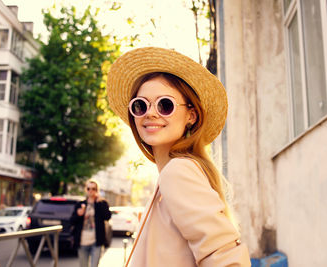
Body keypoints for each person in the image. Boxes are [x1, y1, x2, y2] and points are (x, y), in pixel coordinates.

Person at [106, 47, 251, 267]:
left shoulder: (177, 172)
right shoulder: (171, 175)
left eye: (165, 104)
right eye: (140, 105)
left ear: (191, 115)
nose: (150, 113)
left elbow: (225, 258)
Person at [71, 179, 111, 267]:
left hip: (96, 241)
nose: (91, 191)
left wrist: (99, 203)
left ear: (97, 190)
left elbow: (107, 217)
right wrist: (78, 214)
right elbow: (72, 221)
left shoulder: (102, 203)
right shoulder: (80, 204)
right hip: (82, 242)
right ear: (86, 189)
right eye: (89, 188)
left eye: (93, 189)